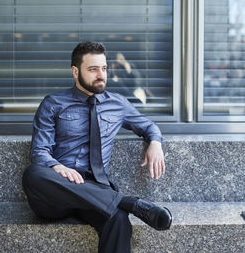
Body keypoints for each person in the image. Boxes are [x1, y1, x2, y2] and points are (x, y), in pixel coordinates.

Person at [22, 41, 172, 253]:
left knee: (118, 219)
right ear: (75, 71)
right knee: (33, 174)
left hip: (96, 189)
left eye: (103, 68)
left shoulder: (117, 103)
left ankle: (120, 204)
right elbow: (39, 151)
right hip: (58, 192)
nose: (100, 75)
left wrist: (155, 142)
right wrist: (57, 167)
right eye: (93, 69)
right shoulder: (53, 103)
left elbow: (148, 125)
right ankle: (129, 202)